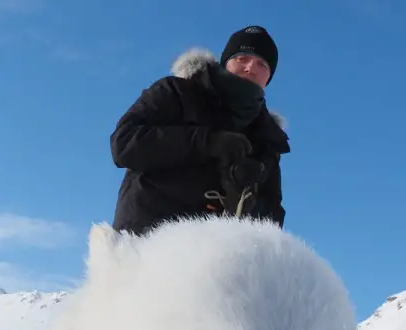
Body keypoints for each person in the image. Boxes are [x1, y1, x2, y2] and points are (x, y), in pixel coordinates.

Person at [109, 25, 289, 235]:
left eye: (262, 65)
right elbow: (124, 144)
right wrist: (208, 142)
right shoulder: (176, 91)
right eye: (242, 58)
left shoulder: (267, 137)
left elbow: (272, 219)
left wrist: (246, 198)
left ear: (268, 79)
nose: (251, 68)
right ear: (226, 62)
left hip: (215, 253)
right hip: (146, 240)